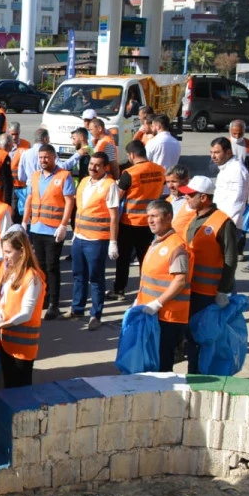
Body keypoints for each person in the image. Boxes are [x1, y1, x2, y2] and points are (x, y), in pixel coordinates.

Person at [178, 176, 238, 373]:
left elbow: (231, 259)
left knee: (204, 337)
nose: (186, 198)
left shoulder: (222, 223)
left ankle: (201, 375)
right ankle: (194, 372)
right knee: (193, 337)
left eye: (190, 195)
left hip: (209, 293)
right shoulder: (195, 218)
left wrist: (224, 290)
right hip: (192, 289)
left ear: (203, 197)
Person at [136, 200, 191, 371]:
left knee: (163, 363)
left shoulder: (176, 246)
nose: (150, 221)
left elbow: (180, 280)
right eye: (148, 217)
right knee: (152, 360)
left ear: (168, 217)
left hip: (168, 315)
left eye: (154, 216)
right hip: (154, 313)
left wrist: (158, 303)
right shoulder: (157, 242)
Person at [68, 153, 120, 329]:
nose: (93, 168)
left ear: (105, 167)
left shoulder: (109, 185)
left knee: (96, 278)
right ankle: (77, 308)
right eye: (91, 164)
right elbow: (80, 209)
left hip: (97, 240)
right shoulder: (83, 181)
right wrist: (75, 233)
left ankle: (95, 315)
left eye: (98, 165)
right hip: (80, 237)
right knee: (78, 275)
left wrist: (113, 241)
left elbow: (114, 216)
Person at [25, 144, 75, 319]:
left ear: (54, 157)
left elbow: (69, 201)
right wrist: (25, 221)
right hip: (37, 227)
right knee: (40, 266)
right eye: (40, 158)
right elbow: (30, 198)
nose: (43, 161)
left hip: (54, 229)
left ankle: (54, 302)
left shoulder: (63, 176)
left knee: (52, 266)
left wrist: (63, 225)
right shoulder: (35, 176)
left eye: (46, 157)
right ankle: (44, 298)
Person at [111, 139, 165, 301]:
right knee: (145, 258)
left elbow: (117, 197)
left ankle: (119, 290)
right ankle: (146, 289)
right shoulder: (160, 170)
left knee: (124, 259)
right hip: (151, 222)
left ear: (132, 155)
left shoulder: (130, 173)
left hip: (129, 222)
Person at [0, 229, 45, 388]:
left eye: (8, 252)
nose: (5, 256)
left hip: (22, 348)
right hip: (6, 343)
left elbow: (26, 314)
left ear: (22, 251)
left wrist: (1, 324)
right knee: (9, 386)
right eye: (4, 251)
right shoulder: (8, 272)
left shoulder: (32, 277)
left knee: (20, 390)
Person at [210, 136, 249, 237]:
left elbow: (236, 202)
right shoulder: (226, 168)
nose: (213, 156)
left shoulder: (236, 170)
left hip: (228, 225)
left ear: (228, 153)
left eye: (217, 152)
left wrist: (226, 226)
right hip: (220, 221)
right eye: (211, 152)